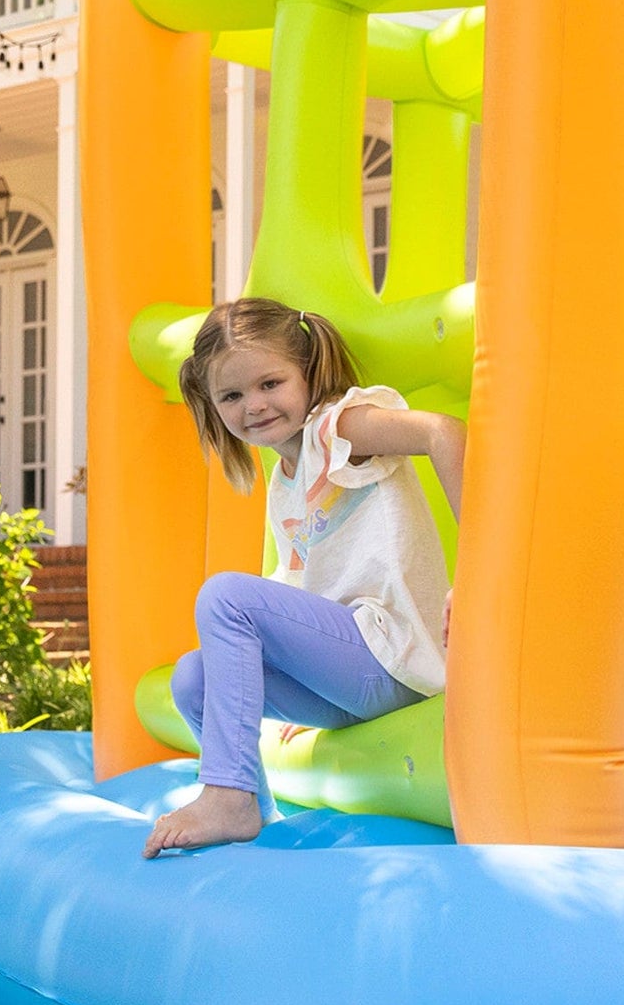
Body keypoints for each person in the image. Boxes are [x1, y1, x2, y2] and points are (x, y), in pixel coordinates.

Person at [142, 298, 464, 858]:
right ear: (211, 404)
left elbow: (444, 431)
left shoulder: (339, 428)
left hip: (396, 654)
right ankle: (255, 812)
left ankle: (225, 795)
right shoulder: (285, 476)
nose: (255, 406)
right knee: (193, 680)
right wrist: (303, 682)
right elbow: (297, 586)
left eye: (271, 383)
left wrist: (480, 576)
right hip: (350, 675)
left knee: (224, 595)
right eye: (232, 396)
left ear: (309, 374)